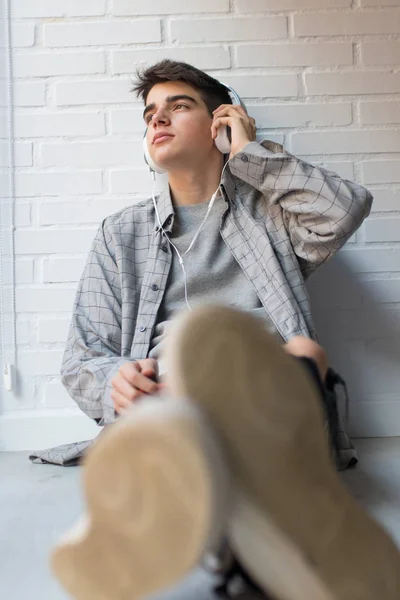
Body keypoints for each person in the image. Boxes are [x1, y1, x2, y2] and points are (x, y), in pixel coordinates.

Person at [52, 60, 400, 598]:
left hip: (272, 393)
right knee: (182, 376)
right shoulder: (121, 234)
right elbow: (82, 356)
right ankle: (268, 517)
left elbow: (344, 210)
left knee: (302, 349)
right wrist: (116, 381)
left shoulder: (271, 213)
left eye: (178, 106)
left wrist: (249, 156)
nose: (158, 121)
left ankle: (201, 522)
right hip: (173, 393)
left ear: (221, 122)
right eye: (149, 115)